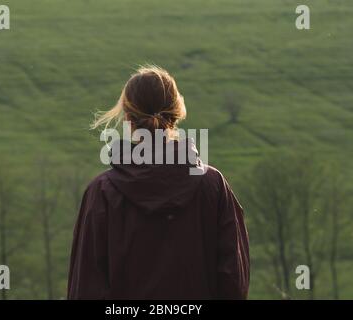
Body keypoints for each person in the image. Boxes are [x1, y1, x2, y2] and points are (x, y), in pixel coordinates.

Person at [67, 65, 249, 299]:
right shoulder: (213, 186)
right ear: (177, 113)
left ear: (127, 118)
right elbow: (233, 280)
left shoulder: (102, 192)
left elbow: (86, 288)